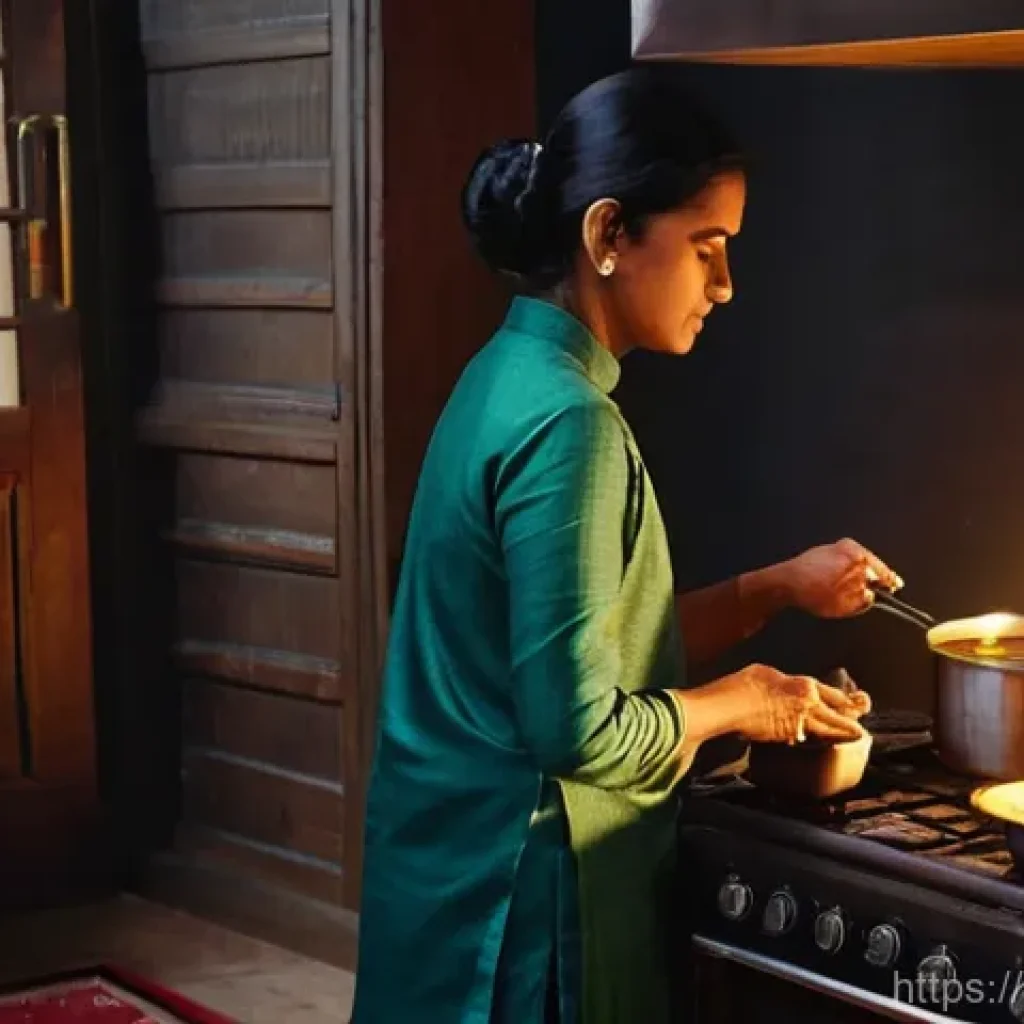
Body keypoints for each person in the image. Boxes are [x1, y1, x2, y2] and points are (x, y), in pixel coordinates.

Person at [350, 67, 900, 1024]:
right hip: (519, 899)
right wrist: (744, 704)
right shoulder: (572, 427)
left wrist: (777, 586)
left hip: (445, 869)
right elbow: (580, 728)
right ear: (608, 235)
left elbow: (572, 655)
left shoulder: (505, 374)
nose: (724, 286)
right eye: (705, 248)